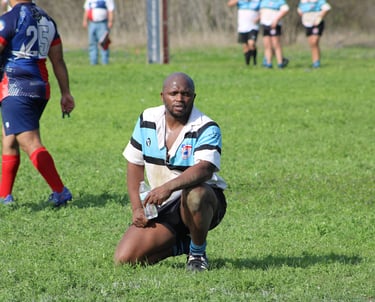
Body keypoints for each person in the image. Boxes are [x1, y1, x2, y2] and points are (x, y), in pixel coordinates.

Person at [114, 72, 227, 272]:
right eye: (173, 93)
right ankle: (183, 245)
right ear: (162, 96)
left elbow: (205, 169)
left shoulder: (207, 127)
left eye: (186, 94)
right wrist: (137, 209)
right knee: (126, 259)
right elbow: (134, 163)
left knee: (195, 193)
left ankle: (197, 253)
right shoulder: (147, 118)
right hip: (163, 204)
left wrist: (167, 187)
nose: (180, 99)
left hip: (203, 201)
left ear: (193, 97)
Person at [0, 0, 75, 206]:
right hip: (40, 87)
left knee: (29, 141)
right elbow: (57, 60)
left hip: (16, 87)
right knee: (9, 140)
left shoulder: (9, 19)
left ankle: (60, 191)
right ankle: (4, 196)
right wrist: (66, 92)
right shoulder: (47, 19)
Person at [297, 0, 331, 68]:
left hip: (317, 24)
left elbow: (327, 8)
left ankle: (317, 62)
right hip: (307, 23)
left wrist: (319, 17)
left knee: (314, 41)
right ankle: (314, 62)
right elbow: (299, 10)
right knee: (311, 44)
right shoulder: (303, 2)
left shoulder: (319, 1)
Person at [227, 0, 261, 66]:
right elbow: (229, 4)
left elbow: (263, 9)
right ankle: (247, 64)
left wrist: (259, 18)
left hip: (253, 26)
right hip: (242, 27)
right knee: (245, 46)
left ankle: (254, 61)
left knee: (251, 43)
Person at [82, 0, 115, 65]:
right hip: (92, 23)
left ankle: (105, 62)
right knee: (92, 43)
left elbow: (110, 10)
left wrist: (110, 21)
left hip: (103, 23)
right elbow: (86, 10)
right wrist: (85, 20)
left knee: (104, 43)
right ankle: (93, 62)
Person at [260, 0, 290, 68]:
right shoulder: (263, 1)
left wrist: (276, 19)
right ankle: (268, 63)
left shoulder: (279, 1)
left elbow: (286, 9)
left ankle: (280, 63)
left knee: (276, 44)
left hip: (274, 24)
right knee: (267, 45)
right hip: (265, 24)